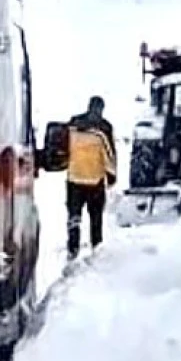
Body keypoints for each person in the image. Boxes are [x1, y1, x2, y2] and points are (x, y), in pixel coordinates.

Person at [65, 95, 116, 259]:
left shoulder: (73, 124)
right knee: (96, 217)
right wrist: (112, 175)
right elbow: (108, 154)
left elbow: (65, 147)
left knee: (74, 215)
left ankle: (72, 248)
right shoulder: (104, 128)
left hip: (74, 178)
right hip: (95, 180)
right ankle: (96, 247)